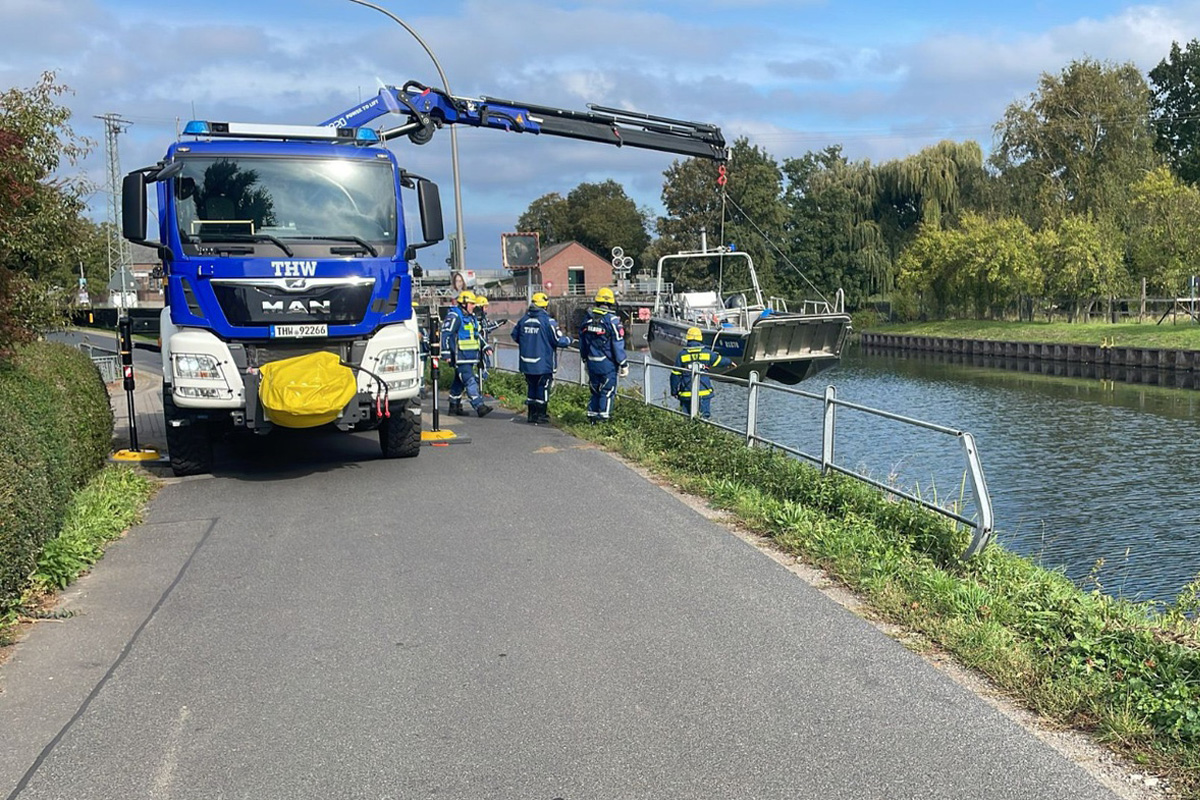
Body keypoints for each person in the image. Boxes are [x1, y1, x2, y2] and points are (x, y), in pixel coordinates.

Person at [511, 292, 571, 424]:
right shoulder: (548, 322)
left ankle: (531, 415)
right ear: (545, 306)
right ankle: (541, 414)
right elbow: (558, 340)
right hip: (543, 362)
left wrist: (528, 344)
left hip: (526, 362)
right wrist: (569, 340)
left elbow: (515, 336)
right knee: (543, 387)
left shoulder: (523, 320)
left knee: (531, 387)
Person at [578, 286, 628, 424]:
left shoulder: (587, 320)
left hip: (591, 361)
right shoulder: (612, 321)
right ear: (611, 303)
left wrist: (584, 358)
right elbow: (617, 344)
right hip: (607, 363)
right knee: (607, 390)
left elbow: (582, 342)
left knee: (595, 390)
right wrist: (623, 364)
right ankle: (603, 421)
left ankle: (592, 418)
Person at [440, 290, 492, 417]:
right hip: (460, 356)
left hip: (470, 356)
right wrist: (446, 354)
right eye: (471, 304)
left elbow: (476, 335)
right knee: (469, 380)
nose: (474, 306)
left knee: (458, 382)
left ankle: (454, 406)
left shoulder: (471, 318)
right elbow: (446, 334)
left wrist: (485, 346)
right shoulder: (455, 316)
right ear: (463, 304)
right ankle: (479, 406)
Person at [670, 327, 734, 419]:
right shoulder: (707, 354)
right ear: (700, 338)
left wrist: (674, 391)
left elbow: (675, 375)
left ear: (688, 338)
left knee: (686, 418)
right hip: (704, 392)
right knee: (703, 418)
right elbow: (719, 360)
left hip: (687, 393)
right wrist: (729, 362)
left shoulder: (682, 355)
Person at [473, 294, 503, 386]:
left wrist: (500, 323)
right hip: (479, 348)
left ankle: (482, 386)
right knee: (482, 368)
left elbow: (488, 327)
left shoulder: (483, 318)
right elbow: (477, 333)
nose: (486, 309)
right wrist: (485, 346)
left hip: (484, 347)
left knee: (486, 366)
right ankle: (479, 387)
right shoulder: (476, 320)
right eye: (485, 307)